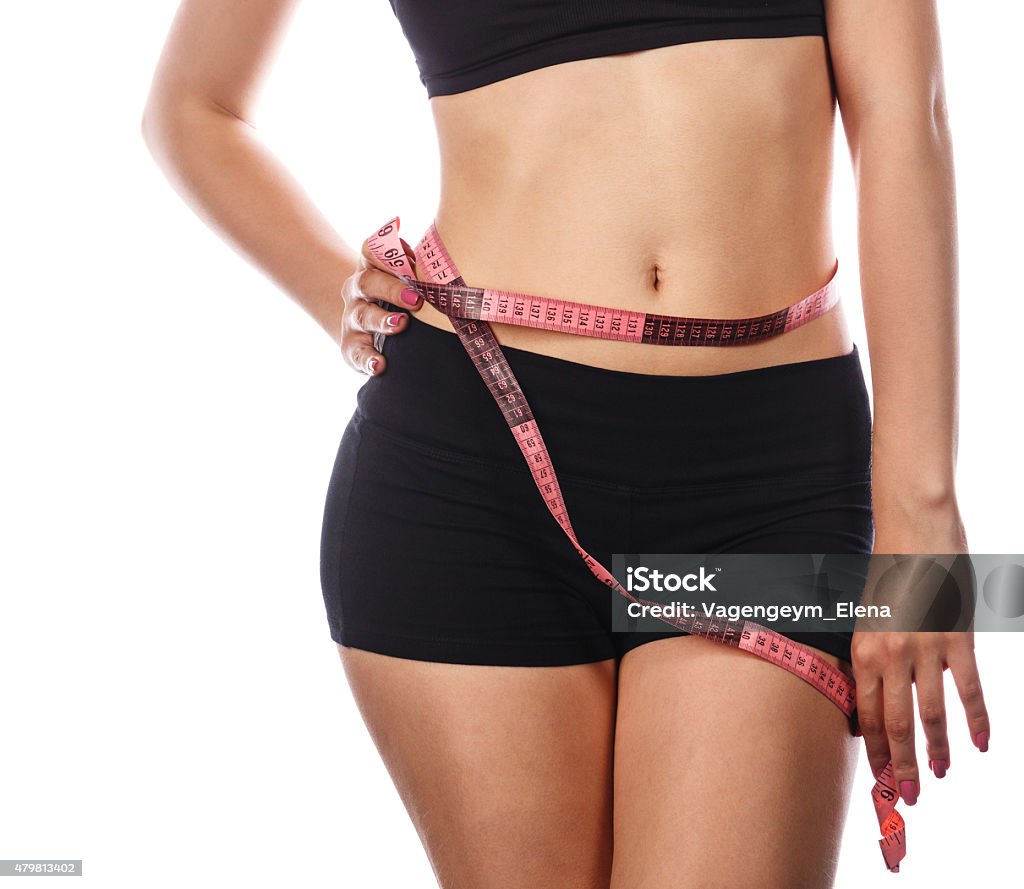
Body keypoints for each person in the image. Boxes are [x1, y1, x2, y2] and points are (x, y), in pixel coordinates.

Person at [142, 1, 990, 885]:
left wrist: (921, 505)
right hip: (468, 473)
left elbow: (907, 111)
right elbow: (192, 106)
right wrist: (340, 296)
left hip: (766, 480)